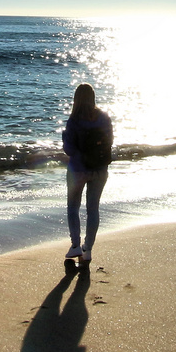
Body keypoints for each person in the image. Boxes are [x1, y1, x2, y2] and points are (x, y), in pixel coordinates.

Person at [61, 83, 112, 270]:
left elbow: (69, 149)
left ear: (76, 99)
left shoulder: (74, 120)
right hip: (100, 168)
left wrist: (64, 137)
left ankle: (75, 245)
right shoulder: (104, 117)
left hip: (78, 169)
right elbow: (110, 141)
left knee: (73, 206)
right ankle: (88, 249)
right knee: (93, 209)